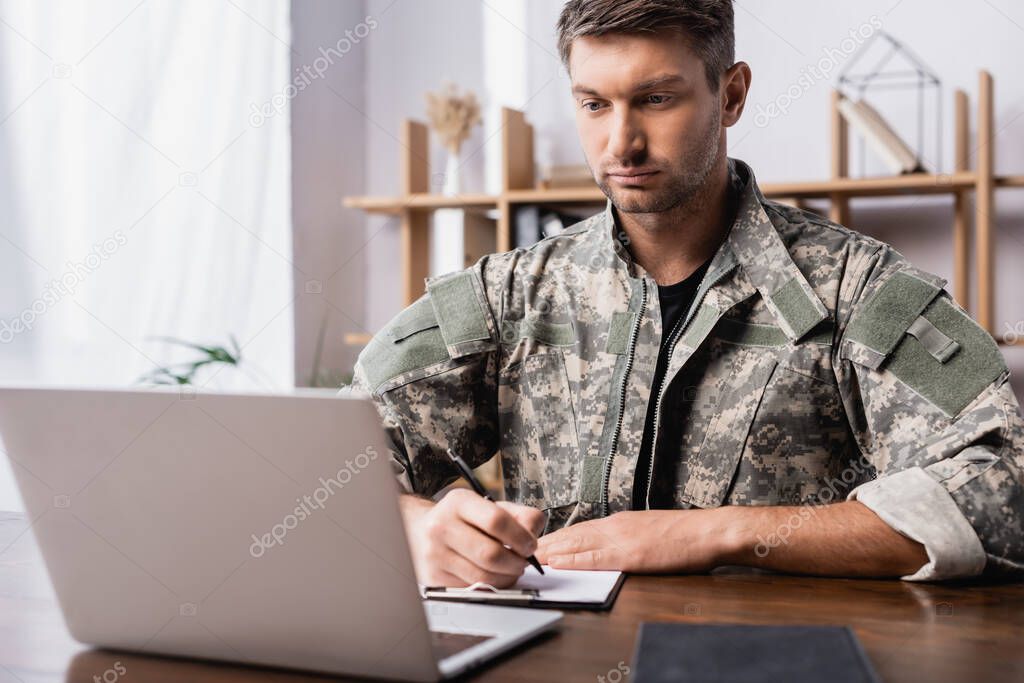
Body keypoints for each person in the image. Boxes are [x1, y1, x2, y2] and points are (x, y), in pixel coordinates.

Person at [344, 0, 1024, 588]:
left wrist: (716, 534)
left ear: (730, 95)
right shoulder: (511, 293)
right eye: (593, 104)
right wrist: (422, 527)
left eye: (655, 99)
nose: (621, 142)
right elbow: (324, 456)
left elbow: (1006, 491)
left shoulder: (857, 291)